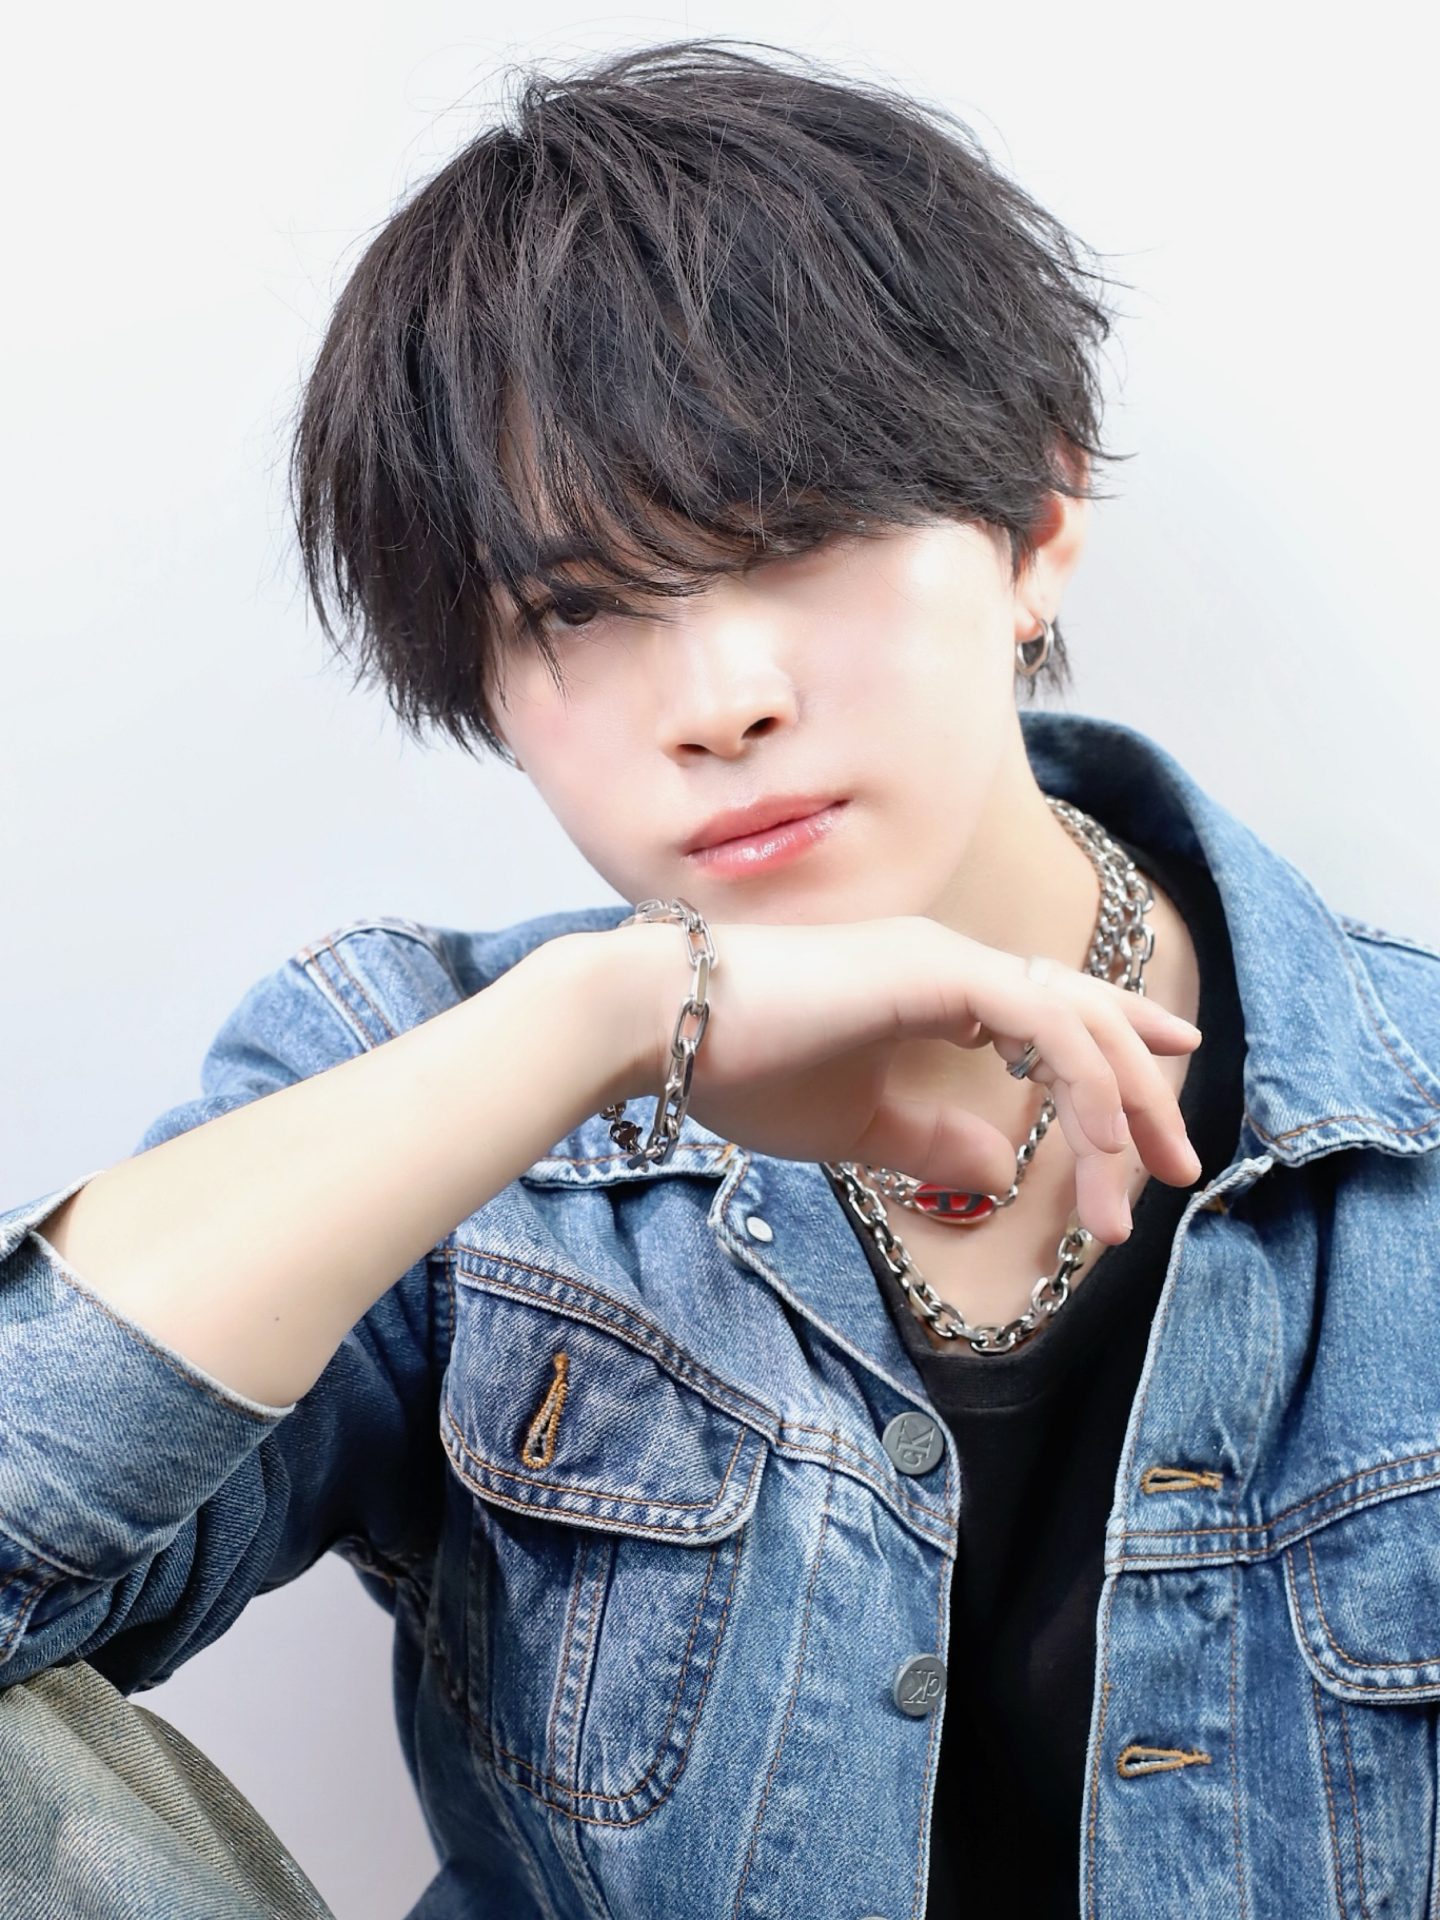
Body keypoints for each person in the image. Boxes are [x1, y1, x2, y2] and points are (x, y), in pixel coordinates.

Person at [4, 33, 1439, 1920]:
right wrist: (603, 1023)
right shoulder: (433, 1082)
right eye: (578, 608)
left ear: (1038, 525)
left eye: (798, 539)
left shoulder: (1409, 1123)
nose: (719, 701)